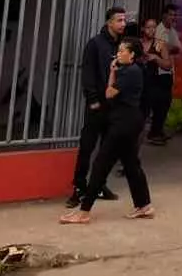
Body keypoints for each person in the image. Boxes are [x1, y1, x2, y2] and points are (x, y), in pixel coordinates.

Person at [61, 38, 154, 223]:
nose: (118, 54)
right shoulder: (126, 70)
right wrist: (113, 71)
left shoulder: (131, 72)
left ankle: (84, 211)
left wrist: (112, 73)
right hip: (126, 121)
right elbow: (110, 93)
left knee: (101, 164)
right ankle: (144, 205)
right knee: (131, 165)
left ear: (132, 55)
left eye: (122, 51)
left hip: (124, 123)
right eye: (118, 51)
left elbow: (109, 93)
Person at [66, 6, 126, 209]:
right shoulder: (95, 44)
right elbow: (88, 73)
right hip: (97, 105)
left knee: (108, 150)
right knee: (87, 148)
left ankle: (99, 185)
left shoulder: (122, 46)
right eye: (119, 20)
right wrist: (92, 99)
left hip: (115, 106)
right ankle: (78, 188)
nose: (122, 24)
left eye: (124, 20)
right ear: (109, 22)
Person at [148, 4, 181, 145]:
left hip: (168, 71)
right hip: (158, 73)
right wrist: (167, 48)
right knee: (159, 103)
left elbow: (178, 48)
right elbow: (158, 49)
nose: (173, 17)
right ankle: (153, 133)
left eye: (175, 15)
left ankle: (158, 130)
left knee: (165, 103)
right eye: (171, 14)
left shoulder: (172, 31)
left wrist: (168, 48)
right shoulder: (159, 30)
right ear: (164, 15)